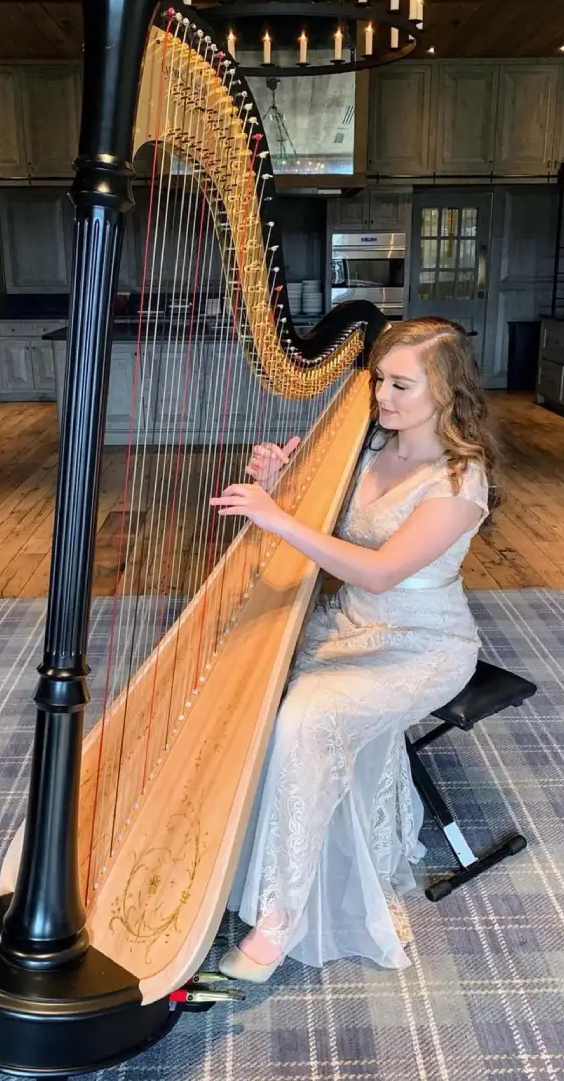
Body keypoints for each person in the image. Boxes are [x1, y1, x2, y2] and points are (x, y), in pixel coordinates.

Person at [208, 317, 500, 983]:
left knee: (305, 719)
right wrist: (279, 484)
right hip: (348, 627)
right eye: (378, 381)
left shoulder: (458, 483)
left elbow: (378, 571)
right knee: (245, 687)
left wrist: (276, 518)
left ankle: (279, 919)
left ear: (445, 388)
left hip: (422, 646)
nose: (382, 398)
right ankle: (227, 850)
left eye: (401, 385)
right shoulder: (367, 447)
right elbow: (323, 530)